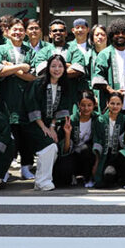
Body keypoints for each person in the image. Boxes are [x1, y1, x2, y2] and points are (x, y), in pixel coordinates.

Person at [0, 18, 39, 179]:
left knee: (26, 137)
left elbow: (33, 77)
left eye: (20, 30)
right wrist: (19, 67)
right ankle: (4, 169)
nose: (18, 32)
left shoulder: (30, 51)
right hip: (5, 100)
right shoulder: (0, 49)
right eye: (14, 29)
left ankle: (26, 168)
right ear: (7, 32)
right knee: (6, 137)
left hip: (26, 100)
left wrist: (10, 67)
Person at [25, 54, 75, 191]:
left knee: (54, 147)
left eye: (60, 66)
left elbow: (61, 109)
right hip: (33, 125)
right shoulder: (37, 84)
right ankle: (42, 180)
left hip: (50, 125)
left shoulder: (64, 86)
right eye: (53, 66)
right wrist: (44, 127)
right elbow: (32, 106)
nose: (56, 69)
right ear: (48, 68)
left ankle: (42, 180)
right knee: (49, 146)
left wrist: (52, 127)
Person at [93, 20, 125, 117]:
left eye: (124, 33)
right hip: (110, 102)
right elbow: (98, 77)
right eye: (117, 33)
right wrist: (112, 91)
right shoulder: (104, 54)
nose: (121, 35)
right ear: (111, 35)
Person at [58, 90, 104, 187]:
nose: (86, 108)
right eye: (83, 105)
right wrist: (67, 134)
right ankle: (73, 175)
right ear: (78, 105)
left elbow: (99, 143)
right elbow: (65, 150)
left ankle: (88, 178)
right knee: (63, 177)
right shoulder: (71, 120)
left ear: (94, 105)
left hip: (89, 156)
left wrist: (96, 164)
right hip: (73, 155)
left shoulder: (97, 119)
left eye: (89, 105)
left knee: (86, 149)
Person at [93, 90, 125, 188]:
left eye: (118, 104)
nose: (115, 106)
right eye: (112, 103)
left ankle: (124, 177)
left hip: (118, 154)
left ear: (122, 105)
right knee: (108, 176)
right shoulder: (100, 120)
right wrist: (96, 163)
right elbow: (97, 141)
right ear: (107, 103)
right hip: (105, 155)